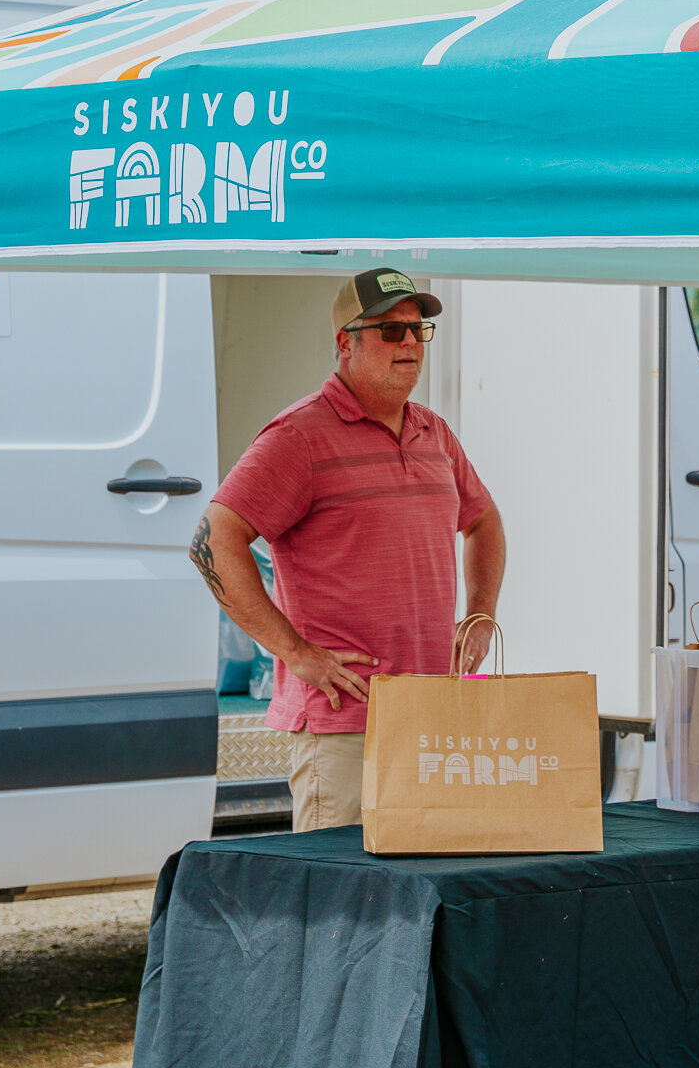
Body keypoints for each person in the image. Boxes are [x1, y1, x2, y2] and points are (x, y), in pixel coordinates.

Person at [189, 269, 505, 831]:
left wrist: (481, 616)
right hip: (344, 726)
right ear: (346, 342)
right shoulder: (298, 436)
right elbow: (212, 541)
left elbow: (483, 521)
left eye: (418, 330)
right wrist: (294, 652)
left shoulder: (435, 433)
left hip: (432, 715)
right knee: (336, 905)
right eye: (390, 331)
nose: (409, 343)